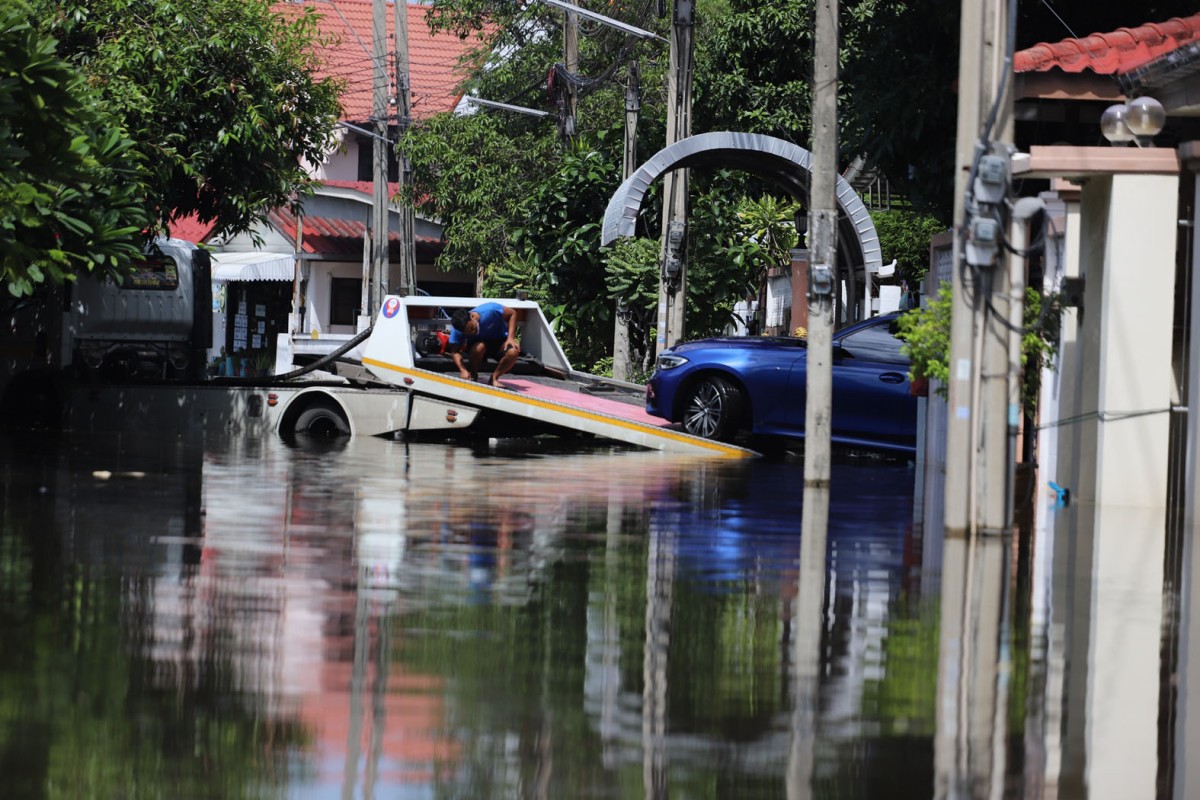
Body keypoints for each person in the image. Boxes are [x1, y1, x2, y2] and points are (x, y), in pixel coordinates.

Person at [448, 302, 521, 386]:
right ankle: (473, 374)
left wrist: (510, 337)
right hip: (477, 348)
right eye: (468, 332)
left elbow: (512, 313)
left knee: (513, 351)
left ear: (472, 317)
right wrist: (463, 370)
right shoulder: (457, 329)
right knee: (479, 347)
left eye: (472, 328)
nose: (473, 332)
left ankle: (494, 378)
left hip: (498, 342)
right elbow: (455, 351)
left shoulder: (490, 310)